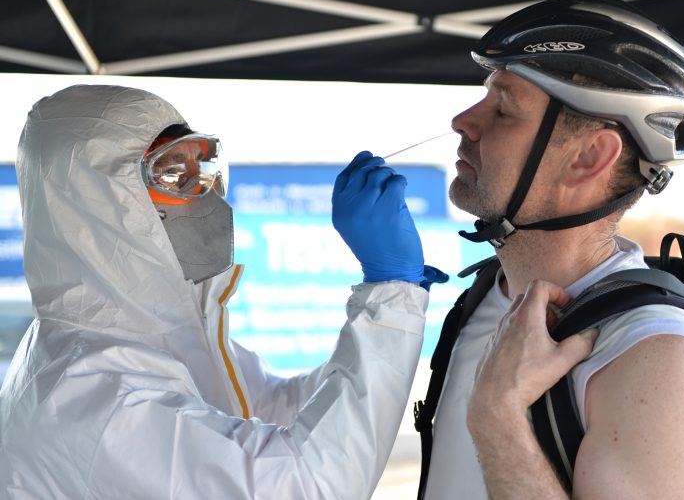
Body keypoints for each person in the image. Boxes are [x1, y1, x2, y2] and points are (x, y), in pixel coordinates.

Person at [0, 84, 444, 499]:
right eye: (173, 173)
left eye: (204, 165)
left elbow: (274, 406)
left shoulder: (151, 333)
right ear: (96, 203)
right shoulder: (94, 391)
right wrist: (390, 294)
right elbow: (302, 485)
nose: (204, 191)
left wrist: (392, 314)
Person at [423, 0, 684, 499]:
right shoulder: (484, 300)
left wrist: (496, 418)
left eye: (503, 108)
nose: (464, 120)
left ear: (588, 158)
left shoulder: (656, 354)